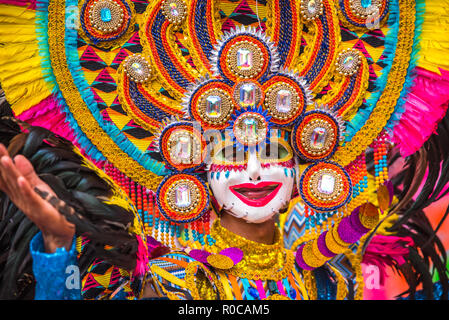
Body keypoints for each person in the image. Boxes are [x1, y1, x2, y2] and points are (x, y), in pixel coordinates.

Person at [1, 0, 449, 300]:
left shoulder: (331, 274)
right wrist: (58, 243)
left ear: (302, 170)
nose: (255, 172)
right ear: (199, 173)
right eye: (233, 157)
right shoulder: (177, 278)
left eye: (271, 152)